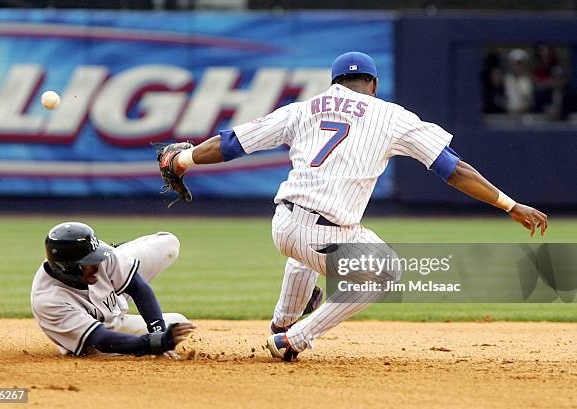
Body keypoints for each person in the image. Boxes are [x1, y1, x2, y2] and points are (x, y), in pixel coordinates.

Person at [157, 51, 548, 361]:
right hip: (326, 232)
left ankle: (282, 322)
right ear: (372, 84)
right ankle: (296, 338)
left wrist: (184, 160)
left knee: (314, 251)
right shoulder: (391, 116)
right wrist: (510, 205)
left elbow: (231, 144)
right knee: (386, 272)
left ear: (334, 84)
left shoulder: (303, 108)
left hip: (284, 225)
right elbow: (453, 169)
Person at [31, 222, 196, 357]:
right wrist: (153, 344)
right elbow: (101, 339)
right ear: (68, 267)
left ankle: (121, 258)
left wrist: (158, 331)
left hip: (112, 295)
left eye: (97, 257)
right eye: (90, 262)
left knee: (168, 243)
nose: (97, 265)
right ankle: (121, 264)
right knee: (178, 322)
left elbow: (138, 287)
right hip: (104, 331)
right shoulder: (48, 300)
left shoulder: (94, 254)